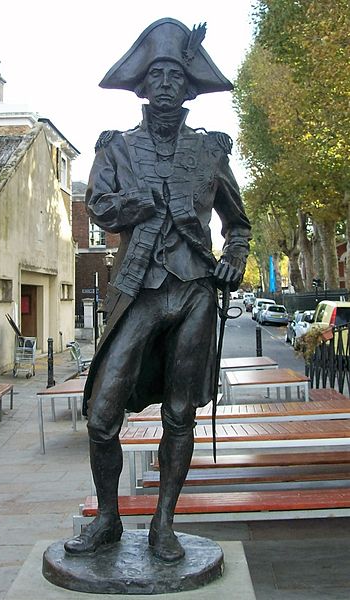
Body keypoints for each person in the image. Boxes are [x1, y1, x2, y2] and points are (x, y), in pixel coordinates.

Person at [65, 18, 251, 563]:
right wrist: (144, 202)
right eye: (157, 75)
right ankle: (107, 518)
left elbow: (236, 224)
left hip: (193, 289)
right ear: (143, 87)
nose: (167, 83)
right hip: (139, 291)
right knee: (102, 415)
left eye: (176, 75)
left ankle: (164, 523)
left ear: (189, 86)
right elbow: (99, 205)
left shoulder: (212, 150)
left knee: (179, 414)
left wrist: (235, 258)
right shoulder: (118, 148)